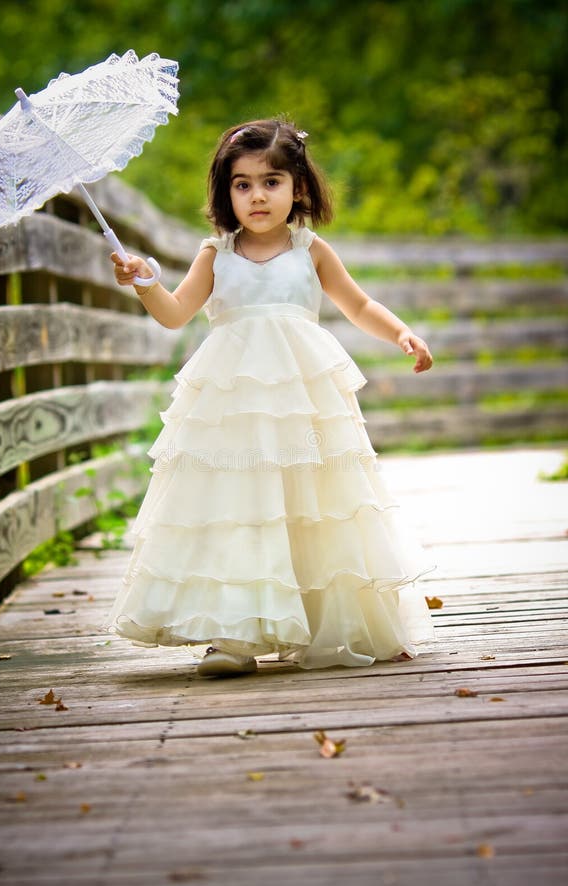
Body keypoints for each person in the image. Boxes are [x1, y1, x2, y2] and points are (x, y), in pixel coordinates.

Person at [107, 118, 436, 677]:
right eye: (242, 184)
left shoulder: (311, 250)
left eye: (271, 181)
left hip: (302, 401)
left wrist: (400, 331)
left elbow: (357, 306)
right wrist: (144, 282)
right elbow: (174, 313)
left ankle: (331, 620)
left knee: (313, 503)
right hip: (233, 406)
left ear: (298, 188)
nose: (257, 195)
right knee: (238, 508)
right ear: (225, 193)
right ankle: (232, 636)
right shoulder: (217, 254)